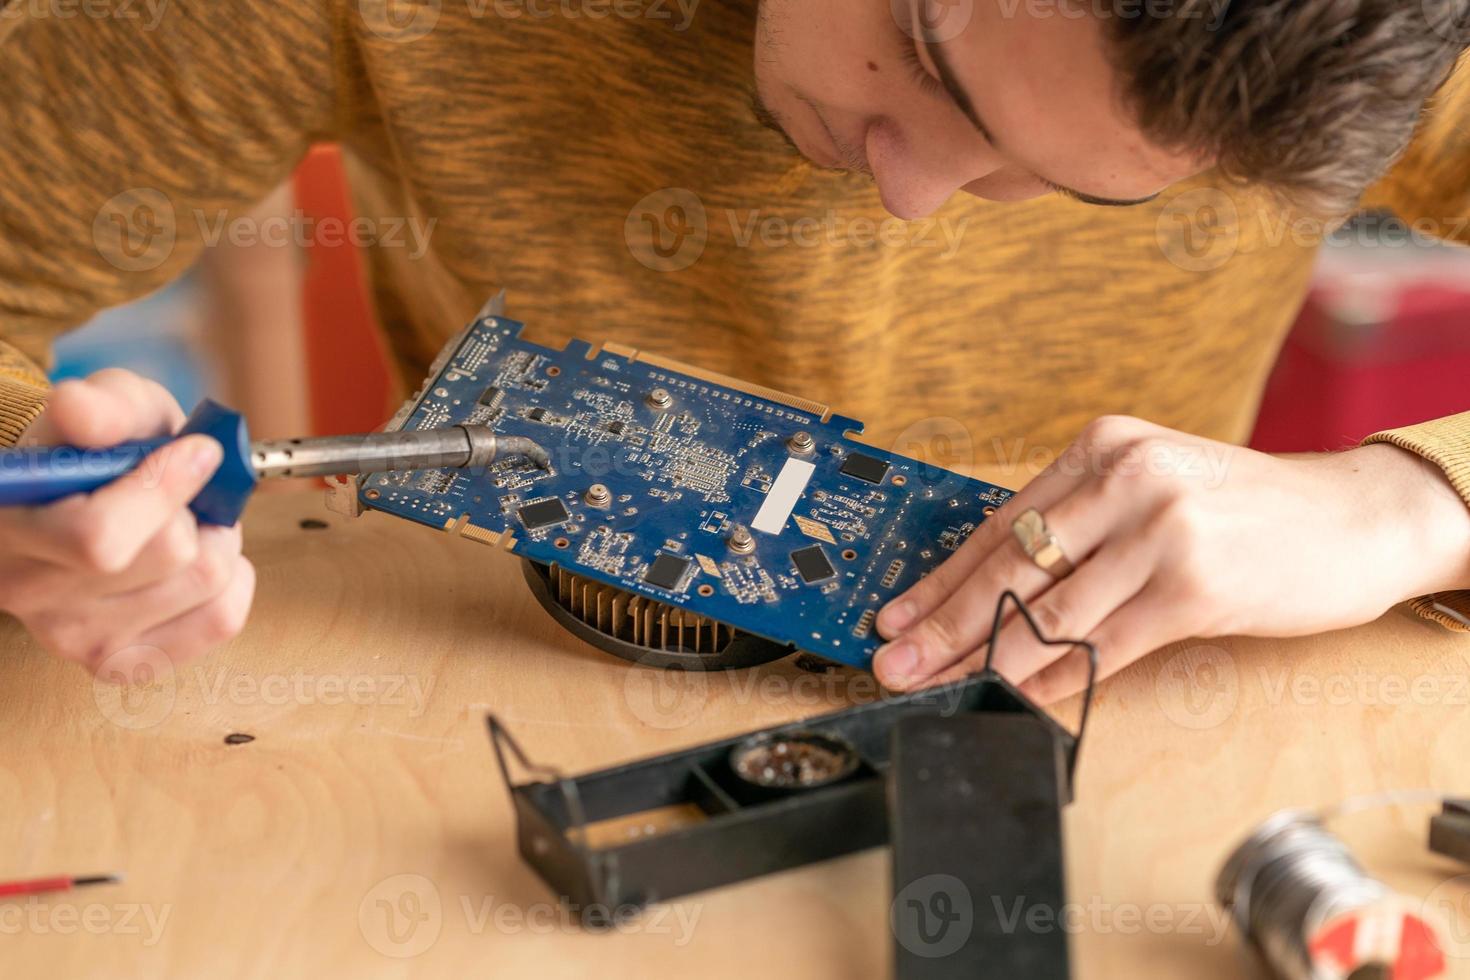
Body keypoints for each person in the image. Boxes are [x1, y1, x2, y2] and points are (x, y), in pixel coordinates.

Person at [0, 0, 1466, 694]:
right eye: (928, 58)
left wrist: (1412, 501)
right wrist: (31, 492)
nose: (909, 195)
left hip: (1123, 699)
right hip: (483, 684)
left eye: (1066, 178)